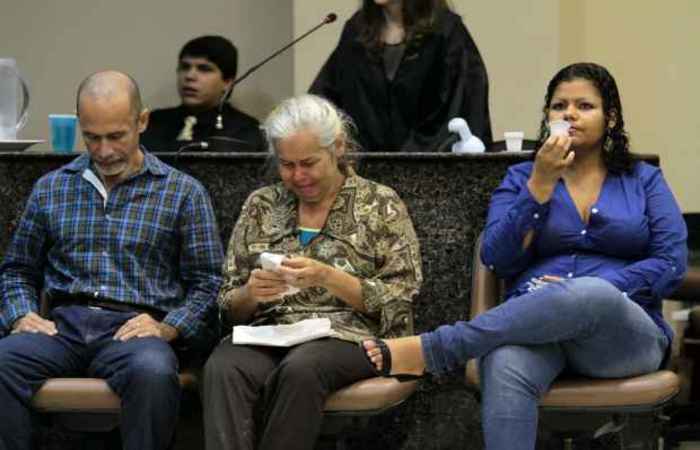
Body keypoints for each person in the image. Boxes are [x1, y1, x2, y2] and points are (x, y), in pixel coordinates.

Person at [361, 62, 688, 450]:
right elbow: (498, 259)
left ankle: (439, 347)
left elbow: (671, 262)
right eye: (558, 106)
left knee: (591, 293)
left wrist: (598, 286)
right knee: (503, 363)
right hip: (535, 330)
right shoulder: (520, 178)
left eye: (585, 106)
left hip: (620, 337)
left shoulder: (642, 179)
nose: (569, 113)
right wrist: (541, 184)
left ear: (610, 118)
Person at [0, 71, 224, 450]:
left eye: (116, 136)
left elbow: (210, 282)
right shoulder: (52, 188)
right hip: (62, 328)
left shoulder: (182, 193)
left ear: (142, 121)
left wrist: (169, 328)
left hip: (135, 329)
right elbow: (18, 270)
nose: (103, 151)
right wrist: (21, 314)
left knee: (153, 372)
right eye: (92, 137)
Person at [203, 94, 422, 450]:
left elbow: (401, 295)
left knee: (303, 368)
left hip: (349, 336)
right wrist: (251, 294)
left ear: (337, 148)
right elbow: (228, 304)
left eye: (308, 163)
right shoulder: (262, 204)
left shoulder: (380, 203)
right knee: (223, 367)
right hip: (270, 332)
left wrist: (328, 277)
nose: (298, 176)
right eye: (286, 165)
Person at [310, 0, 491, 152]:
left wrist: (412, 155)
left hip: (432, 166)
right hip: (369, 167)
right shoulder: (356, 32)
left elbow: (463, 103)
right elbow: (327, 95)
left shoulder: (446, 31)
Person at [141, 35, 265, 152]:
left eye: (204, 69)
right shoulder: (153, 122)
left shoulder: (246, 130)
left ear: (227, 82)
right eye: (185, 67)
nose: (189, 76)